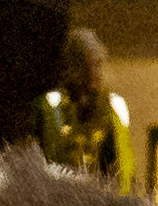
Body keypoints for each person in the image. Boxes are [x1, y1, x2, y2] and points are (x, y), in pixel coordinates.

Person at [34, 26, 132, 192]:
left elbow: (122, 168)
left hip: (99, 201)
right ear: (72, 67)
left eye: (97, 64)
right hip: (57, 199)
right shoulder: (50, 106)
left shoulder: (114, 107)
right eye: (85, 65)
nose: (92, 73)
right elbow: (38, 161)